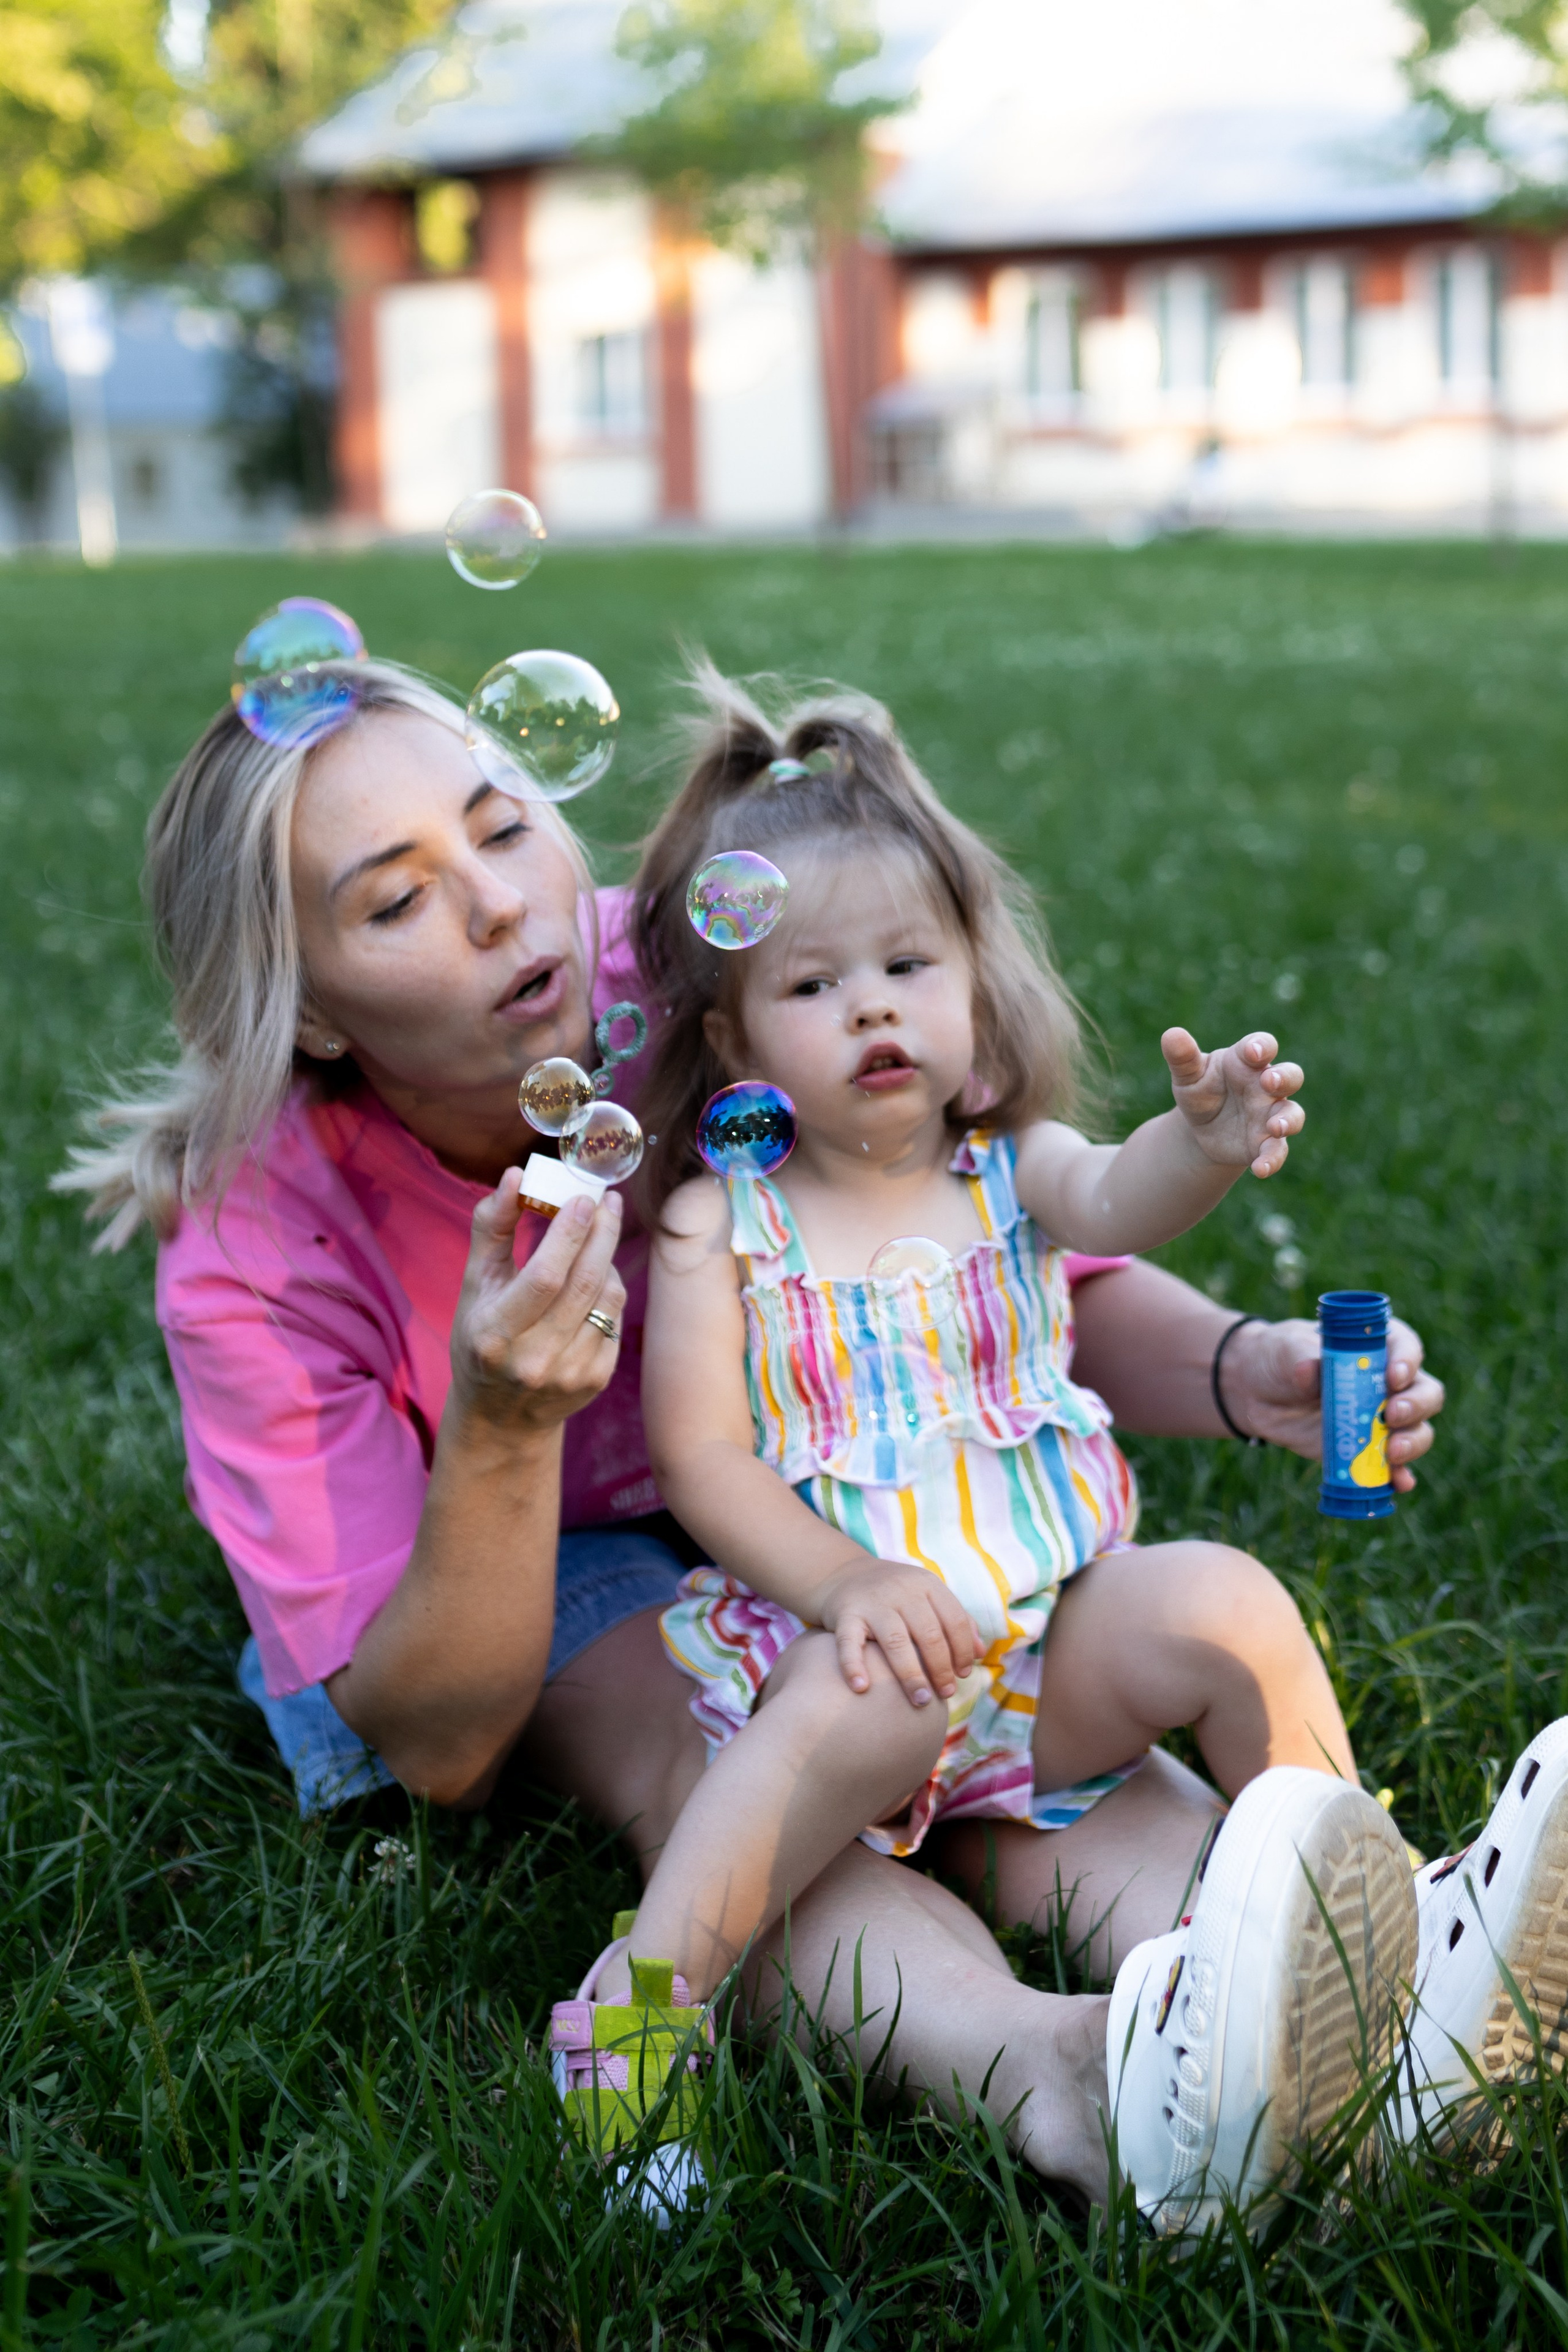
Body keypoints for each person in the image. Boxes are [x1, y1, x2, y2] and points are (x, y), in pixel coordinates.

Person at [49, 646, 1544, 2237]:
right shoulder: (260, 1241)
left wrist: (1246, 1369)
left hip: (860, 1506)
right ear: (310, 1012)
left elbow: (981, 1259)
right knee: (720, 1766)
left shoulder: (728, 967)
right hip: (543, 1559)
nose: (496, 907)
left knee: (1021, 1733)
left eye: (503, 824)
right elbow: (438, 1742)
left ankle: (1365, 1984)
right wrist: (505, 1426)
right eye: (397, 899)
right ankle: (1070, 2078)